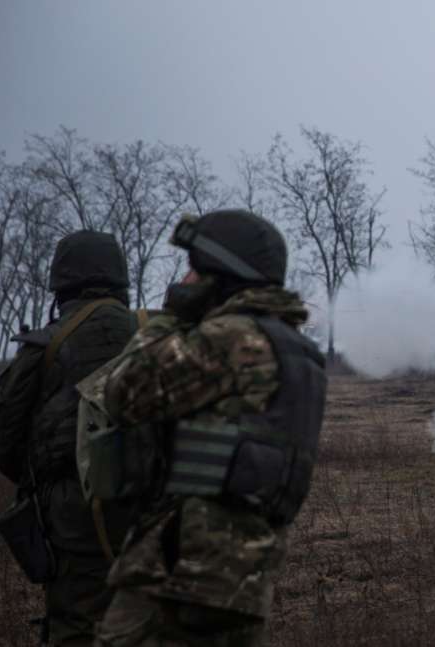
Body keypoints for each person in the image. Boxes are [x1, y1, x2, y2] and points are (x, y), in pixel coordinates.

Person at [92, 209, 326, 646]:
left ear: (222, 273)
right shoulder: (301, 353)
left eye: (194, 270)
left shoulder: (233, 338)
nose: (187, 278)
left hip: (177, 573)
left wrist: (172, 314)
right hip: (245, 577)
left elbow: (123, 391)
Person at [0, 231, 137, 646]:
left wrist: (47, 483)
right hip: (153, 505)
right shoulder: (154, 333)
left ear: (61, 284)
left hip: (75, 513)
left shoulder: (46, 345)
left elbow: (6, 442)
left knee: (77, 622)